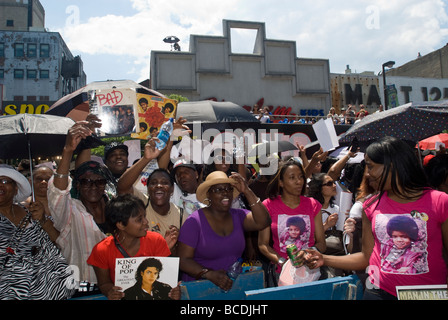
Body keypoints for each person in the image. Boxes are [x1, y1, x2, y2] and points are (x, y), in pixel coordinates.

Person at [306, 136, 448, 300]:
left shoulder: (440, 202)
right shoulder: (370, 205)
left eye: (371, 167)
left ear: (392, 166)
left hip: (426, 294)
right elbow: (365, 257)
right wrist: (324, 258)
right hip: (378, 292)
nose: (367, 174)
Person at [48, 120, 115, 290]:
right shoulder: (70, 210)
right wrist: (68, 150)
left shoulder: (115, 208)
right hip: (79, 284)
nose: (93, 186)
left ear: (105, 184)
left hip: (114, 285)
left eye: (99, 181)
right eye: (86, 181)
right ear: (77, 185)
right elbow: (58, 190)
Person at [177, 171, 271, 291]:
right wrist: (208, 274)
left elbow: (263, 221)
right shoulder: (195, 222)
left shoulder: (239, 216)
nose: (225, 193)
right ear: (208, 195)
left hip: (232, 286)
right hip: (201, 289)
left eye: (228, 189)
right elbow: (183, 260)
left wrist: (247, 191)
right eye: (218, 190)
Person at [0, 164, 75, 300]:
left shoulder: (29, 212)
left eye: (5, 181)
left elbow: (58, 241)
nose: (0, 186)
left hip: (50, 285)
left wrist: (42, 220)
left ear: (16, 188)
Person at [87, 194, 179, 300]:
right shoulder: (102, 250)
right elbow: (104, 284)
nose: (146, 222)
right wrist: (111, 292)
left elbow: (166, 279)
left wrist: (173, 292)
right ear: (121, 225)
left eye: (144, 216)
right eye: (139, 219)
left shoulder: (156, 240)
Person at [258, 158, 326, 281]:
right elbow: (262, 244)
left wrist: (309, 254)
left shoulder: (313, 204)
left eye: (301, 177)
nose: (298, 181)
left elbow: (321, 243)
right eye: (292, 177)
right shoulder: (268, 205)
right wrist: (283, 262)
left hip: (310, 272)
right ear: (281, 182)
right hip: (282, 273)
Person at [23, 165, 60, 243]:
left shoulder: (62, 207)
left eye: (48, 179)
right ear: (30, 181)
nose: (43, 182)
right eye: (39, 179)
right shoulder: (22, 208)